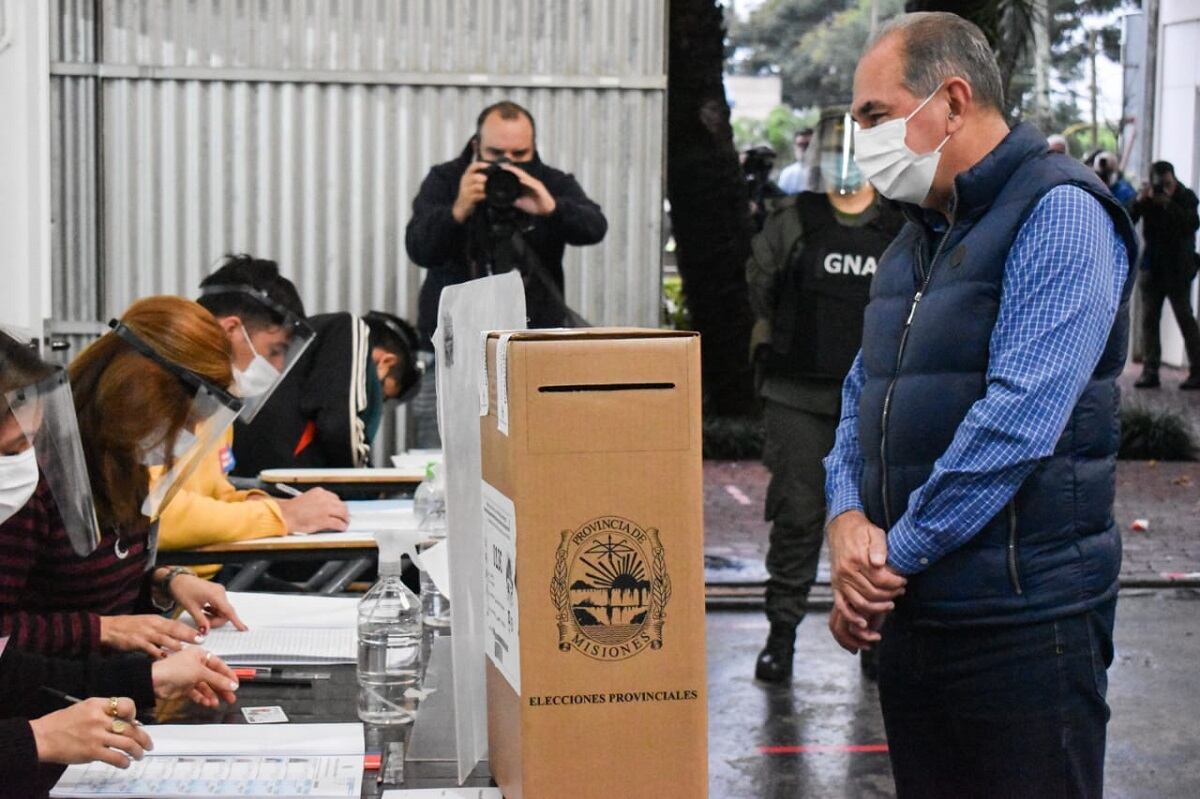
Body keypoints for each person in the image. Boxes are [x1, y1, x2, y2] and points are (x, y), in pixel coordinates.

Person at [826, 13, 1137, 798]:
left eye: (874, 116)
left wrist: (892, 557)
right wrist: (844, 517)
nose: (861, 140)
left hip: (1024, 626)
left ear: (953, 101)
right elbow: (865, 389)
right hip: (921, 616)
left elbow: (1017, 420)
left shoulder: (1060, 213)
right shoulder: (915, 239)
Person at [1, 329, 240, 794]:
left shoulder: (116, 470)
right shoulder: (30, 499)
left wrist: (163, 581)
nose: (23, 466)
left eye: (29, 444)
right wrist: (35, 739)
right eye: (12, 450)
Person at [745, 107, 905, 684]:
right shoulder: (793, 220)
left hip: (878, 402)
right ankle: (780, 637)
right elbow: (761, 289)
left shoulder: (899, 224)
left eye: (855, 146)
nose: (844, 159)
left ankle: (874, 637)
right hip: (799, 397)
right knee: (796, 518)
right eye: (834, 147)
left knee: (883, 523)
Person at [0, 296, 247, 657]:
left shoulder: (122, 459)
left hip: (107, 690)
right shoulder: (27, 469)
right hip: (56, 699)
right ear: (138, 389)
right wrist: (101, 631)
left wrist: (165, 583)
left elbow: (99, 587)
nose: (193, 428)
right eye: (188, 412)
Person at [404, 100, 607, 448]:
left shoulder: (548, 182)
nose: (507, 164)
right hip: (452, 352)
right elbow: (419, 248)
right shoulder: (447, 180)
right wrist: (458, 210)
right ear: (475, 147)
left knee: (537, 458)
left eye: (519, 153)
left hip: (532, 351)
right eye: (495, 153)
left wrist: (551, 207)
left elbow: (594, 227)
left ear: (533, 149)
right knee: (441, 459)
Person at [155, 256, 349, 576]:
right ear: (232, 329)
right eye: (274, 350)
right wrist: (279, 517)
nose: (276, 369)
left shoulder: (213, 402)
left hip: (201, 585)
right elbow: (157, 517)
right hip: (164, 595)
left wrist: (278, 506)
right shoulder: (157, 392)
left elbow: (216, 495)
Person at [231, 310, 423, 476]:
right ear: (385, 363)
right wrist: (368, 485)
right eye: (383, 394)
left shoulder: (311, 337)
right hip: (286, 485)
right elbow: (340, 428)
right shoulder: (346, 328)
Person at [1131, 161, 1200, 390]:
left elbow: (1191, 223)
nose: (1161, 187)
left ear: (1172, 176)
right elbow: (1128, 217)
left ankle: (1197, 370)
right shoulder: (1149, 198)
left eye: (1165, 182)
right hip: (1152, 268)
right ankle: (1150, 371)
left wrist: (1168, 204)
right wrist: (1140, 200)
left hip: (1178, 271)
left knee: (1185, 319)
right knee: (1149, 321)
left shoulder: (1186, 196)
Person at [777, 128, 815, 194]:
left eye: (807, 145)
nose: (803, 149)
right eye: (800, 145)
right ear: (795, 147)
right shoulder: (787, 173)